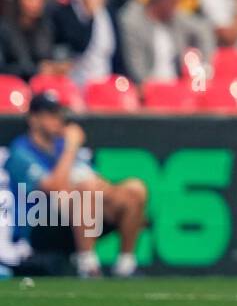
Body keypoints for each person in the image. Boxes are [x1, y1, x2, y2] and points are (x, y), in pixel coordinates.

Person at [4, 91, 148, 277]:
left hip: (80, 216)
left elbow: (96, 181)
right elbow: (54, 188)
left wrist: (122, 203)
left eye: (59, 114)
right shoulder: (21, 151)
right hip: (39, 225)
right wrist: (71, 147)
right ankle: (87, 265)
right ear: (34, 119)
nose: (58, 119)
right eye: (50, 114)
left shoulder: (61, 146)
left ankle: (126, 266)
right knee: (85, 190)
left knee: (134, 189)